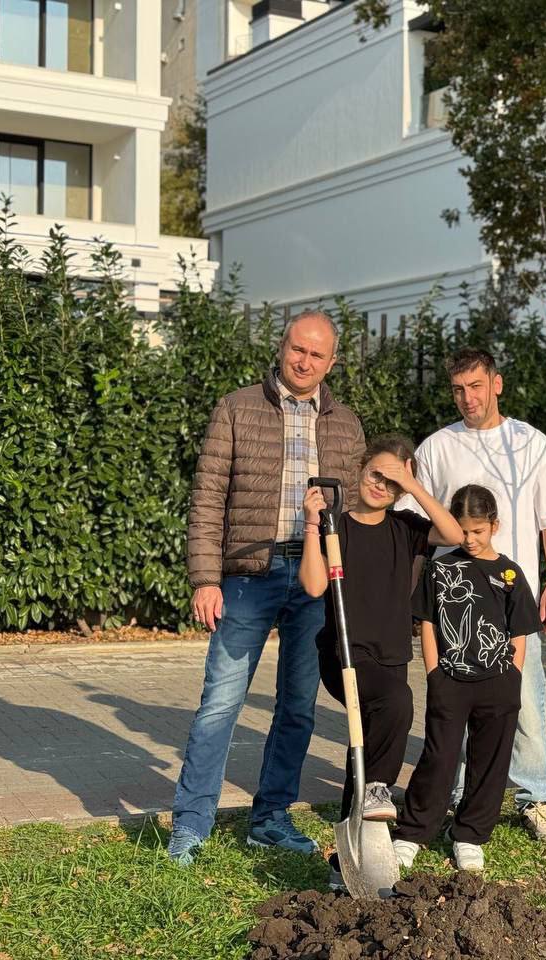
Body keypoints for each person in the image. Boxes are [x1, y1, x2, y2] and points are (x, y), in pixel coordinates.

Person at [169, 310, 365, 866]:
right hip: (245, 579)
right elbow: (207, 497)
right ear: (282, 348)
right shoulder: (237, 408)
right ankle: (192, 822)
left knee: (298, 706)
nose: (304, 362)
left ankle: (271, 817)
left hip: (313, 581)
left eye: (316, 355)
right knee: (220, 704)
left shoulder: (346, 424)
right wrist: (205, 578)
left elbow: (352, 513)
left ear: (332, 362)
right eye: (296, 350)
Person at [401, 348, 546, 844]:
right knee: (451, 700)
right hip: (454, 599)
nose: (467, 398)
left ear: (496, 384)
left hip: (510, 598)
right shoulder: (437, 448)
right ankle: (456, 795)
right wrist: (413, 592)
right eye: (458, 389)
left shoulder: (530, 444)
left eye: (475, 386)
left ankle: (536, 797)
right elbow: (416, 524)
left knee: (524, 700)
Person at [297, 433, 463, 889]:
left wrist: (413, 485)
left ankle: (344, 861)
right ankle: (378, 791)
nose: (381, 486)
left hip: (390, 656)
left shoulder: (406, 528)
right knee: (397, 704)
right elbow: (313, 586)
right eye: (377, 473)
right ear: (360, 468)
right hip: (345, 654)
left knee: (363, 747)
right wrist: (312, 525)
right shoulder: (336, 527)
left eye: (392, 482)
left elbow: (454, 534)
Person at [395, 485, 542, 872]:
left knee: (490, 762)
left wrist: (513, 675)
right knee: (439, 757)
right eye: (463, 531)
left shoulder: (510, 572)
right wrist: (433, 673)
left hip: (499, 682)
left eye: (478, 531)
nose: (470, 539)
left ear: (494, 525)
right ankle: (412, 833)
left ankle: (470, 834)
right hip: (450, 680)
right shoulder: (440, 568)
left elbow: (520, 630)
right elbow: (426, 621)